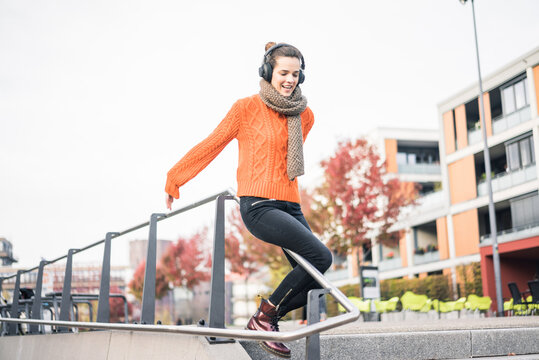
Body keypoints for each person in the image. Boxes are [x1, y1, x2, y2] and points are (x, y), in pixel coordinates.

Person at [165, 42, 332, 359]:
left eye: (295, 74)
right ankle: (265, 319)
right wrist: (176, 177)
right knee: (320, 256)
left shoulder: (304, 115)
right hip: (259, 205)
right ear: (268, 72)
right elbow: (212, 143)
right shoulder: (245, 108)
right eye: (283, 72)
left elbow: (286, 160)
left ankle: (265, 318)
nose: (289, 80)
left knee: (316, 276)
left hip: (291, 205)